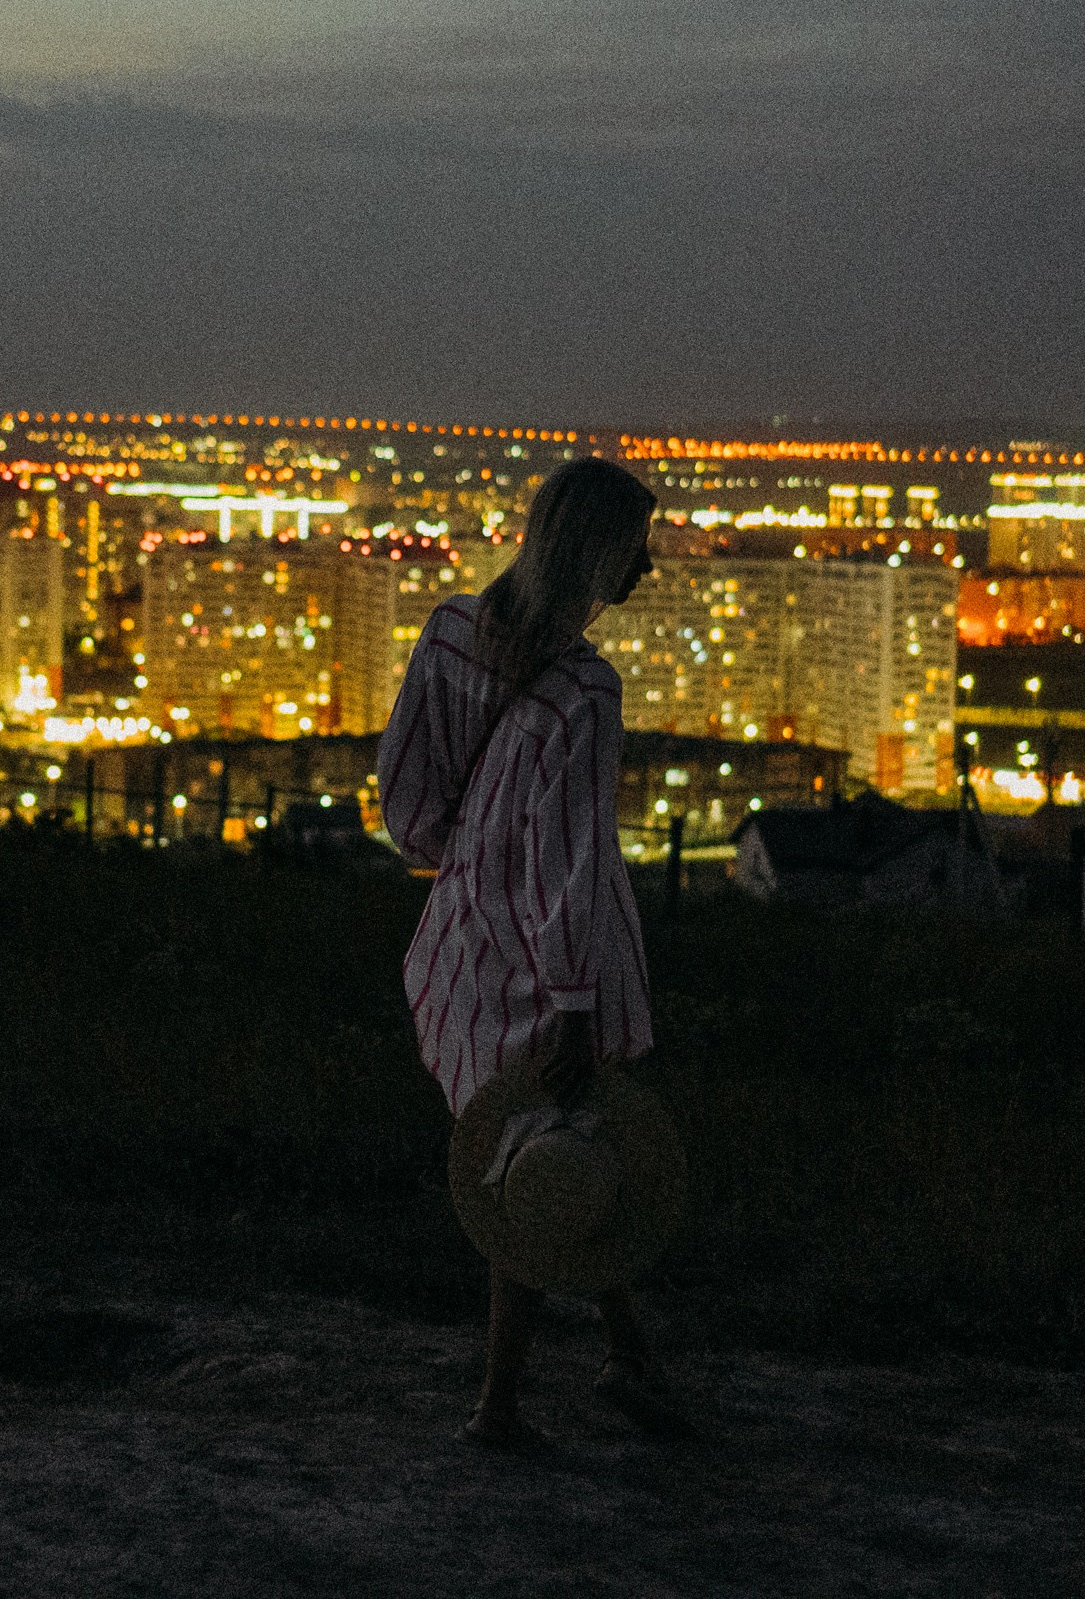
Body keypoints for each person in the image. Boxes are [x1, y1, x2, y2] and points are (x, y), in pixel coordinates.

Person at [375, 456, 686, 1447]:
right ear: (592, 549)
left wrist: (462, 862)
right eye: (638, 548)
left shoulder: (449, 632)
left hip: (462, 942)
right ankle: (498, 1409)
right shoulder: (584, 692)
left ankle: (627, 1354)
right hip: (546, 969)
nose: (650, 568)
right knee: (536, 1166)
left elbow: (408, 795)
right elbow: (569, 856)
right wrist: (572, 998)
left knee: (558, 1158)